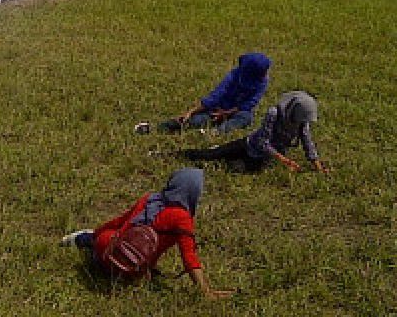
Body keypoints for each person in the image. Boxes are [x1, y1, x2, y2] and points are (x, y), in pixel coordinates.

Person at [60, 168, 231, 299]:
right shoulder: (181, 217)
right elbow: (189, 258)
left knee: (104, 237)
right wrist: (205, 291)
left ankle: (85, 241)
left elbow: (119, 221)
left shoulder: (150, 199)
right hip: (131, 271)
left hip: (107, 250)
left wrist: (97, 234)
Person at [182, 90, 328, 173]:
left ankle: (217, 166)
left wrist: (318, 166)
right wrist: (284, 160)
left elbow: (307, 142)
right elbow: (262, 142)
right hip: (249, 144)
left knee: (235, 168)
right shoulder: (274, 113)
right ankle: (178, 154)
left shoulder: (302, 123)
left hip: (263, 158)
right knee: (210, 154)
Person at [139, 52, 271, 135]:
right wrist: (191, 112)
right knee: (195, 121)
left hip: (236, 112)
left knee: (246, 118)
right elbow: (215, 96)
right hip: (216, 110)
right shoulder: (232, 76)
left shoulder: (262, 82)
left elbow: (249, 104)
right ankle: (158, 127)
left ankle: (216, 132)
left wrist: (226, 114)